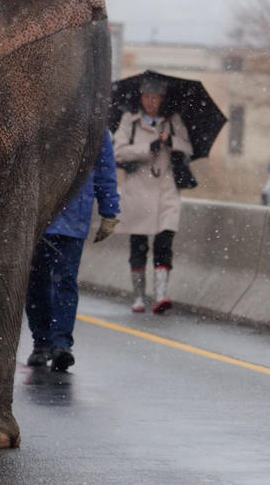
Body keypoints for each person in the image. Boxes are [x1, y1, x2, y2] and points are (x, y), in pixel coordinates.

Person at [26, 129, 120, 372]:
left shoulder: (94, 126)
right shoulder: (47, 117)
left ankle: (59, 344)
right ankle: (43, 342)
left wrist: (109, 210)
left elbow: (104, 168)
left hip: (69, 217)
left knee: (61, 281)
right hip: (42, 216)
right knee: (39, 283)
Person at [113, 76, 193, 314]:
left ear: (162, 99)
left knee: (164, 241)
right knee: (138, 245)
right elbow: (118, 152)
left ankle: (160, 295)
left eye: (155, 98)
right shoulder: (130, 121)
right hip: (138, 190)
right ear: (141, 98)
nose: (151, 102)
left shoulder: (172, 121)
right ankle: (138, 296)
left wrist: (172, 142)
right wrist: (147, 149)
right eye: (147, 97)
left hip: (166, 190)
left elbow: (188, 147)